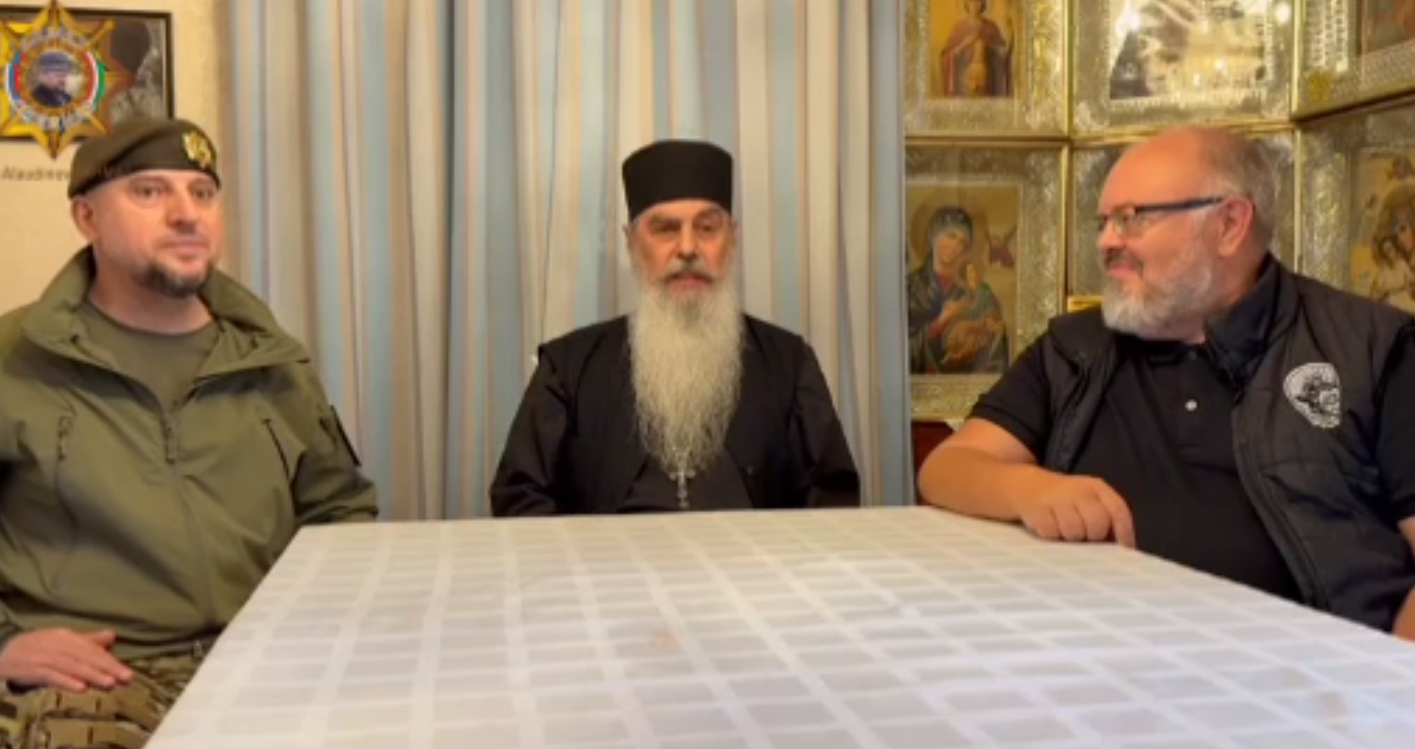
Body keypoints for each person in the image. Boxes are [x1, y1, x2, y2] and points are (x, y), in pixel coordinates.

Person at [918, 126, 1415, 641]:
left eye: (1133, 218)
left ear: (1229, 224)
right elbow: (946, 469)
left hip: (1308, 676)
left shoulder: (1374, 349)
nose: (1107, 242)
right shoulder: (1075, 349)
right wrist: (1029, 489)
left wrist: (1392, 677)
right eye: (1104, 222)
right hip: (1093, 657)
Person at [0, 117, 378, 747]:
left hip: (266, 658)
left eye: (202, 193)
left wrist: (323, 628)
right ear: (87, 218)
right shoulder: (15, 358)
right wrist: (6, 644)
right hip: (103, 678)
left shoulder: (271, 359)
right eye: (149, 191)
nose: (185, 214)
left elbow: (339, 511)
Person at [490, 139, 860, 515]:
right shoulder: (568, 368)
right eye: (666, 229)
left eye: (707, 228)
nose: (687, 248)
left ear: (732, 239)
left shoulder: (788, 363)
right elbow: (520, 497)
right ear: (632, 243)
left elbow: (832, 497)